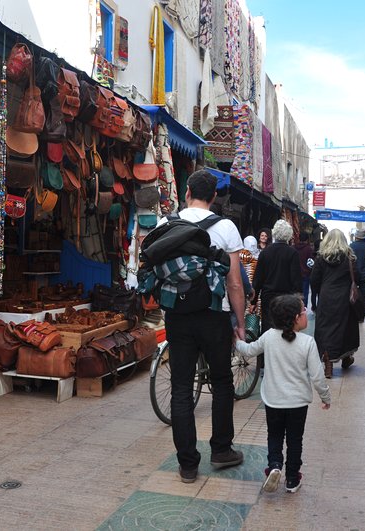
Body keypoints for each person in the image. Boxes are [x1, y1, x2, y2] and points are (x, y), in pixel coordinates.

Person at [160, 169, 247, 483]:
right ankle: (222, 451)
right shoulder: (226, 228)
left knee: (182, 387)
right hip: (214, 315)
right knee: (222, 382)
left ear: (186, 192)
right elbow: (234, 283)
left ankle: (187, 464)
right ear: (214, 197)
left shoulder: (166, 223)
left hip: (177, 315)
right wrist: (239, 322)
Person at [234, 294, 331, 494]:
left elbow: (250, 350)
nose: (306, 313)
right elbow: (317, 376)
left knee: (274, 435)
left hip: (273, 401)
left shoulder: (269, 336)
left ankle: (275, 465)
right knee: (295, 440)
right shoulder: (307, 342)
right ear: (296, 318)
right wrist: (325, 397)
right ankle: (293, 479)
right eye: (304, 311)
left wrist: (236, 342)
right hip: (297, 403)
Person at [311, 229, 360, 378]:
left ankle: (328, 366)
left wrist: (315, 297)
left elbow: (314, 280)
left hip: (326, 298)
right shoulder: (349, 258)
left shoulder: (320, 258)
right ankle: (346, 358)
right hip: (344, 299)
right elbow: (356, 277)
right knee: (345, 328)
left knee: (325, 330)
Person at [253, 220, 302, 333]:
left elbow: (258, 279)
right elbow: (296, 280)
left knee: (268, 328)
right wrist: (298, 300)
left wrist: (253, 301)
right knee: (284, 327)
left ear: (274, 233)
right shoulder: (292, 253)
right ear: (289, 235)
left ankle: (268, 350)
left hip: (268, 297)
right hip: (286, 298)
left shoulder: (265, 252)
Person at [349, 229, 365, 319]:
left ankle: (354, 312)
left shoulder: (351, 246)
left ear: (356, 236)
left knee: (352, 293)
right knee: (364, 294)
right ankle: (361, 313)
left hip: (353, 274)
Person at [293, 232, 315, 306]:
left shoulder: (293, 248)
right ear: (307, 239)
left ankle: (294, 308)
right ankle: (303, 310)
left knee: (295, 293)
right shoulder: (308, 249)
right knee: (304, 294)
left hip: (295, 274)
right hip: (305, 274)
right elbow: (311, 263)